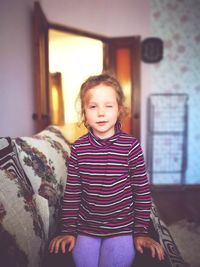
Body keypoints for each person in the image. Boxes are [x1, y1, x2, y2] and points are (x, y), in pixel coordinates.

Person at [49, 73, 165, 267]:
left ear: (119, 110)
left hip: (121, 228)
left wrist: (141, 232)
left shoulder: (131, 146)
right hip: (86, 227)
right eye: (93, 106)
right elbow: (73, 193)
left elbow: (142, 192)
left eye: (108, 106)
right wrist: (68, 230)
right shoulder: (78, 148)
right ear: (84, 112)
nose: (101, 113)